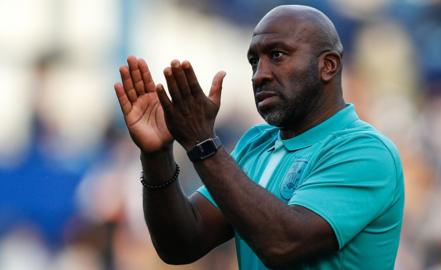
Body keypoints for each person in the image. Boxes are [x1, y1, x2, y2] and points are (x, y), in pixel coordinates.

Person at [114, 4, 404, 269]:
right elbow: (182, 244)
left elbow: (283, 243)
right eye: (254, 61)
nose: (258, 75)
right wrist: (157, 155)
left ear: (328, 65)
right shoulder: (256, 144)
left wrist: (202, 143)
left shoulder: (365, 151)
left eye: (277, 55)